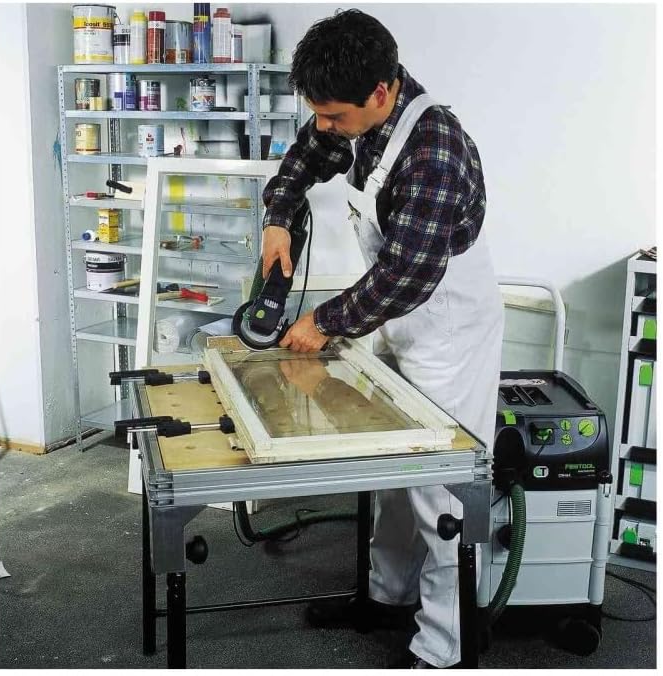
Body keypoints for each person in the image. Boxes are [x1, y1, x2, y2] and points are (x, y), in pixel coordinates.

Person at [261, 9, 504, 669]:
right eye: (317, 113)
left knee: (441, 493)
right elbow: (307, 156)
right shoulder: (358, 116)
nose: (323, 127)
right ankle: (386, 597)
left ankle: (445, 646)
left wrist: (322, 322)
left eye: (333, 116)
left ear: (379, 91)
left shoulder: (433, 151)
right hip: (396, 316)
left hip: (447, 330)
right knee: (395, 468)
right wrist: (279, 216)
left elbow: (406, 274)